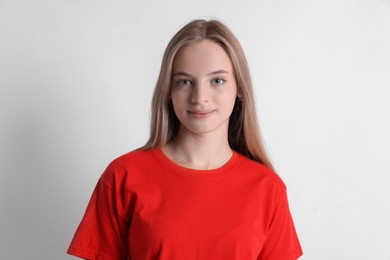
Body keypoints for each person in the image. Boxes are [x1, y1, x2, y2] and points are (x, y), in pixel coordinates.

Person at [67, 19, 303, 260]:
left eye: (217, 81)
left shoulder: (267, 188)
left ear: (239, 87)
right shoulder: (123, 176)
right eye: (185, 82)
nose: (200, 97)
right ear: (168, 90)